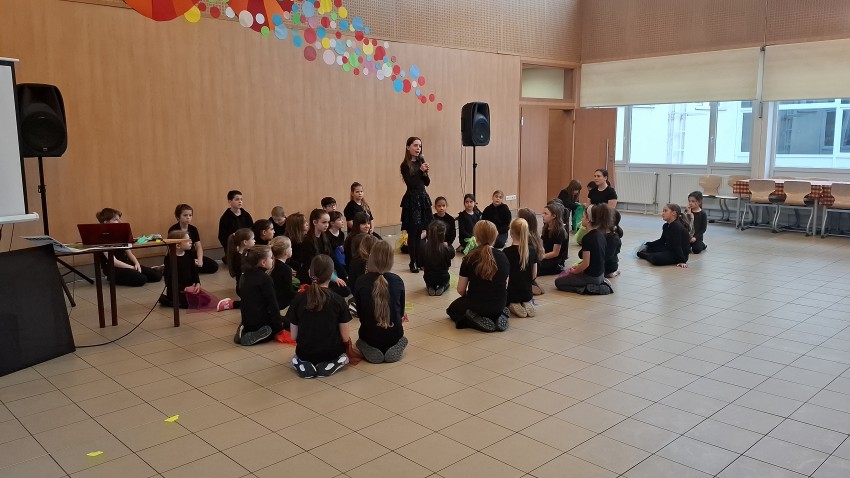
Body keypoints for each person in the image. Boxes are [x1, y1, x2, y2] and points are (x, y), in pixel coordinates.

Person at [287, 255, 352, 378]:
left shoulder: (298, 299)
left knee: (300, 355)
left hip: (305, 352)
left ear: (309, 273)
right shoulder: (338, 300)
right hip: (332, 352)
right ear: (331, 275)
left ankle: (300, 362)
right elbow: (345, 337)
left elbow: (293, 336)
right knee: (344, 357)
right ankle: (333, 363)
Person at [446, 221, 510, 332]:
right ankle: (498, 315)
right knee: (493, 307)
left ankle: (475, 318)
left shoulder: (470, 258)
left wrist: (467, 299)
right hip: (500, 303)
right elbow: (505, 283)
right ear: (495, 236)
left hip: (476, 305)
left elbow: (461, 289)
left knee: (452, 310)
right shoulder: (503, 256)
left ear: (476, 237)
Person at [354, 241, 408, 363]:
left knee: (361, 340)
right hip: (395, 334)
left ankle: (368, 347)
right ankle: (396, 343)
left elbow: (360, 313)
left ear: (371, 257)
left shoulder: (361, 281)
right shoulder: (397, 280)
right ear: (391, 260)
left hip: (369, 335)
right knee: (398, 335)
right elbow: (401, 313)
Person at [95, 208, 162, 287]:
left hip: (127, 263)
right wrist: (132, 268)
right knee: (141, 279)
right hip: (113, 268)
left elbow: (129, 253)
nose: (120, 221)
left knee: (156, 276)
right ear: (106, 222)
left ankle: (156, 269)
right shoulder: (101, 239)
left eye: (119, 219)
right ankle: (110, 278)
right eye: (116, 219)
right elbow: (114, 261)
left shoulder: (120, 235)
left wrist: (137, 264)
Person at [555, 204, 613, 294]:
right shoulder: (601, 234)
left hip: (591, 277)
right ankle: (599, 283)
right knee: (566, 275)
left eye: (583, 217)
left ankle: (588, 288)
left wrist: (575, 271)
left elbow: (586, 263)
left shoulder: (588, 238)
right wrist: (578, 268)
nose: (581, 219)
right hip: (600, 275)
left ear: (588, 220)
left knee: (559, 282)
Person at [234, 246, 282, 346]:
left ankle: (243, 330)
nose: (272, 260)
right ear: (263, 262)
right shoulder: (265, 279)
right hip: (261, 321)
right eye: (271, 258)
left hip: (247, 320)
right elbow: (273, 304)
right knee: (284, 324)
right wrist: (278, 327)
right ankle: (262, 333)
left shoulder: (244, 275)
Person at [399, 136, 432, 273]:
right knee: (413, 234)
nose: (418, 148)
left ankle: (419, 260)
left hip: (422, 199)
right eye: (415, 145)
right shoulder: (405, 165)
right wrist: (420, 171)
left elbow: (427, 183)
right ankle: (412, 262)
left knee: (421, 232)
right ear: (408, 147)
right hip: (412, 201)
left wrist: (424, 173)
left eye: (420, 146)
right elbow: (411, 183)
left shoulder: (420, 162)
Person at [307, 208, 350, 297]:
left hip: (326, 272)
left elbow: (333, 257)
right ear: (315, 222)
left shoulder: (324, 237)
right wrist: (333, 278)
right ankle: (319, 293)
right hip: (316, 275)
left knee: (347, 285)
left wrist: (345, 275)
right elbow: (312, 265)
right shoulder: (308, 240)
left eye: (328, 222)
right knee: (344, 290)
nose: (327, 225)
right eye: (324, 222)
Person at [168, 204, 219, 274]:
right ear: (178, 217)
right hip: (180, 256)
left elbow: (198, 246)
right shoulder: (173, 230)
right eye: (185, 215)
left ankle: (192, 268)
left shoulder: (193, 229)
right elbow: (172, 249)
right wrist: (190, 261)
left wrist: (200, 259)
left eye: (190, 215)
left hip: (192, 254)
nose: (188, 217)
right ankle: (191, 267)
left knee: (214, 266)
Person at [158, 230, 203, 308]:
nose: (191, 242)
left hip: (189, 287)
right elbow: (169, 281)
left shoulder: (189, 253)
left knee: (203, 300)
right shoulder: (170, 258)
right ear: (178, 245)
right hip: (177, 290)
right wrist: (184, 288)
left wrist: (198, 283)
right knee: (187, 304)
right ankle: (168, 300)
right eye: (187, 240)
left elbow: (194, 271)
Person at [504, 218, 538, 318]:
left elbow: (505, 276)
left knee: (510, 296)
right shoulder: (532, 250)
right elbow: (534, 275)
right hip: (527, 292)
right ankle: (526, 301)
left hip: (512, 293)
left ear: (511, 233)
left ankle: (513, 304)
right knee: (525, 295)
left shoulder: (507, 252)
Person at [217, 227, 254, 311]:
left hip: (245, 286)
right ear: (245, 242)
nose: (254, 241)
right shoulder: (239, 258)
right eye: (253, 239)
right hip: (243, 288)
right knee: (256, 303)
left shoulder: (243, 255)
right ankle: (231, 304)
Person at [417, 220, 454, 296]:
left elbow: (420, 264)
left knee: (430, 279)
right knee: (446, 280)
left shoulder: (424, 248)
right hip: (443, 277)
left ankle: (430, 286)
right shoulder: (445, 249)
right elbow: (449, 264)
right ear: (443, 235)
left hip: (428, 277)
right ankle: (442, 286)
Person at [217, 190, 254, 258]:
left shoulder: (246, 215)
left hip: (247, 246)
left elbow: (251, 230)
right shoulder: (225, 218)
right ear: (230, 201)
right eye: (237, 199)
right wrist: (233, 246)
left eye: (241, 199)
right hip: (234, 248)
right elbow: (222, 236)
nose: (240, 201)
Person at [517, 208, 545, 296]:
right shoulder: (535, 235)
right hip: (535, 267)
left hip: (528, 268)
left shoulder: (526, 238)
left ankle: (528, 284)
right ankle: (532, 282)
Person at [538, 202, 568, 275]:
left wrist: (541, 256)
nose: (542, 215)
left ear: (554, 216)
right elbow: (541, 243)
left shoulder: (559, 231)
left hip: (554, 260)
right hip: (546, 255)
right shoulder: (546, 227)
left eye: (545, 214)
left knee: (532, 267)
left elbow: (555, 253)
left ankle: (556, 268)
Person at [269, 236, 298, 311]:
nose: (291, 249)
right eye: (290, 247)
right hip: (281, 305)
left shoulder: (270, 264)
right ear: (286, 252)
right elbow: (289, 292)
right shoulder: (285, 269)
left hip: (271, 302)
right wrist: (302, 294)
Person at [326, 211, 347, 276]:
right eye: (339, 220)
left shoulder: (341, 234)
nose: (342, 221)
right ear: (332, 223)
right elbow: (330, 253)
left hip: (340, 259)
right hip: (330, 260)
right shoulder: (326, 235)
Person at [605, 209, 624, 278]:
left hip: (609, 266)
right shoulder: (604, 233)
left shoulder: (613, 238)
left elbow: (608, 256)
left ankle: (612, 273)